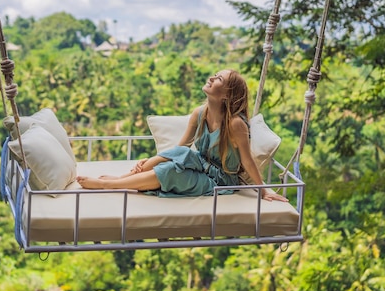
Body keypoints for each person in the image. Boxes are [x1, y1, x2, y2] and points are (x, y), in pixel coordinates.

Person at [77, 69, 289, 202]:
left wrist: (264, 191)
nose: (212, 77)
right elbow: (180, 149)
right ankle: (124, 178)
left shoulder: (235, 124)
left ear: (226, 95)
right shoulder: (200, 112)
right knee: (176, 156)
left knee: (171, 172)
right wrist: (153, 161)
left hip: (220, 179)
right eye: (215, 74)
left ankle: (108, 185)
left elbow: (247, 161)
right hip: (199, 163)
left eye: (219, 79)